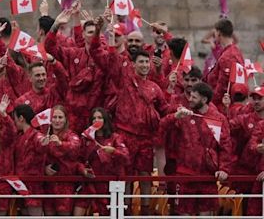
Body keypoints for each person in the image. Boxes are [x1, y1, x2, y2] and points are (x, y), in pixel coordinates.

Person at [90, 16, 171, 215]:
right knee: (124, 175)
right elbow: (100, 54)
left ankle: (144, 210)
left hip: (145, 138)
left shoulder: (154, 87)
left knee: (144, 175)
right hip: (125, 135)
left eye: (147, 62)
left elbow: (165, 109)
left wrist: (179, 113)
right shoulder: (123, 79)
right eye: (141, 62)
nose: (144, 65)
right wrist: (100, 31)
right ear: (133, 64)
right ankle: (123, 210)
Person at [159, 82, 232, 216]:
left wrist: (224, 169)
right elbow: (160, 128)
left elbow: (225, 146)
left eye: (194, 97)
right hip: (184, 175)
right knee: (183, 214)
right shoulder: (184, 115)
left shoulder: (219, 118)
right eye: (190, 96)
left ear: (204, 99)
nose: (190, 100)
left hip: (207, 177)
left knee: (206, 214)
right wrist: (175, 116)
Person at [74, 107, 129, 216]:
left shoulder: (115, 138)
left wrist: (113, 151)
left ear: (105, 120)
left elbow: (126, 157)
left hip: (109, 186)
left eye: (100, 117)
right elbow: (78, 160)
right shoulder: (86, 139)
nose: (96, 120)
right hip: (89, 183)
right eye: (94, 118)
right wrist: (83, 170)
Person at [43, 105, 81, 216]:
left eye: (60, 117)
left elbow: (75, 146)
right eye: (54, 117)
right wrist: (44, 169)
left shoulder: (71, 135)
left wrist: (60, 144)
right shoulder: (45, 135)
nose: (57, 120)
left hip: (65, 186)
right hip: (48, 185)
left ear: (65, 120)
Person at [13, 104, 49, 216]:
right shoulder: (19, 136)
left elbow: (41, 142)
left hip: (34, 187)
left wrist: (44, 142)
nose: (14, 122)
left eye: (15, 119)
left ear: (21, 118)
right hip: (20, 185)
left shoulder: (36, 135)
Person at [205, 18, 244, 109]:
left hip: (222, 105)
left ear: (219, 33)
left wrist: (210, 102)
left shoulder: (228, 56)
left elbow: (223, 86)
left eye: (215, 32)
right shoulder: (235, 51)